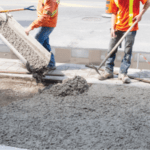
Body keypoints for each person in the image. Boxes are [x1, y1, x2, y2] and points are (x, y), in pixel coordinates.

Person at [99, 0, 150, 83]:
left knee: (127, 52)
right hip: (117, 27)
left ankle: (123, 73)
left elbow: (147, 2)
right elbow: (114, 13)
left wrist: (140, 15)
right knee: (111, 50)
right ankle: (108, 72)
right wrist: (112, 28)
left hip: (131, 27)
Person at [25, 0, 60, 69]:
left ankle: (34, 64)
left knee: (37, 42)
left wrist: (30, 27)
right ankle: (51, 64)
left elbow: (45, 16)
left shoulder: (51, 1)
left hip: (48, 24)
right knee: (45, 45)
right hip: (45, 24)